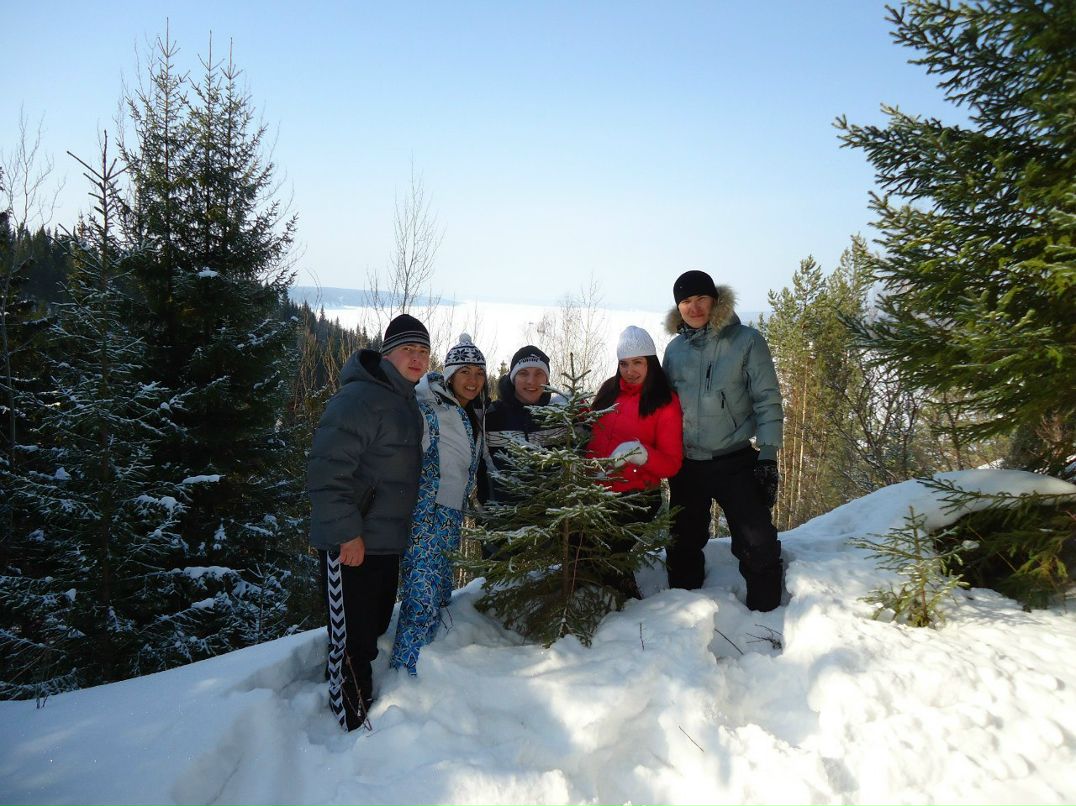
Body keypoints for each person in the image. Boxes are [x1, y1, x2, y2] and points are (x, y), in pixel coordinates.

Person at [307, 313, 431, 731]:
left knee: (373, 626)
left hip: (384, 541)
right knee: (352, 640)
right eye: (408, 350)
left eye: (423, 351)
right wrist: (347, 533)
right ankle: (350, 724)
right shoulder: (359, 399)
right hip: (352, 542)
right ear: (387, 353)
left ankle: (359, 703)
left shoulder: (404, 400)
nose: (417, 358)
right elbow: (327, 470)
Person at [662, 270, 785, 611]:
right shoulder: (674, 350)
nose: (694, 307)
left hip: (735, 461)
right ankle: (682, 618)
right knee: (682, 544)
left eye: (700, 298)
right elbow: (665, 407)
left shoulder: (746, 340)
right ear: (678, 308)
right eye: (685, 301)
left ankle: (766, 616)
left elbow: (767, 398)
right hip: (687, 464)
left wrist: (769, 454)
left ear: (715, 300)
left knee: (757, 543)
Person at [390, 334, 487, 675]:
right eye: (465, 372)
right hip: (426, 515)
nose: (473, 380)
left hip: (450, 516)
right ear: (449, 375)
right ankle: (405, 673)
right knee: (421, 598)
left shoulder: (468, 412)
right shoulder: (429, 407)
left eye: (479, 372)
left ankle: (428, 667)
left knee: (439, 592)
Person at [586, 326, 683, 598]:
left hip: (638, 496)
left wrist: (642, 454)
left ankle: (627, 607)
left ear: (650, 362)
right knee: (584, 550)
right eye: (624, 363)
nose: (630, 370)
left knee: (609, 551)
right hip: (598, 493)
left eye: (638, 362)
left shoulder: (664, 402)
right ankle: (594, 604)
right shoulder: (608, 390)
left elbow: (672, 463)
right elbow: (592, 431)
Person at [478, 344, 567, 505]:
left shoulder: (559, 417)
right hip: (501, 519)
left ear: (547, 379)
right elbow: (480, 467)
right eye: (523, 373)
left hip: (551, 518)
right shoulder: (491, 416)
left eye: (539, 373)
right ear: (513, 378)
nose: (531, 381)